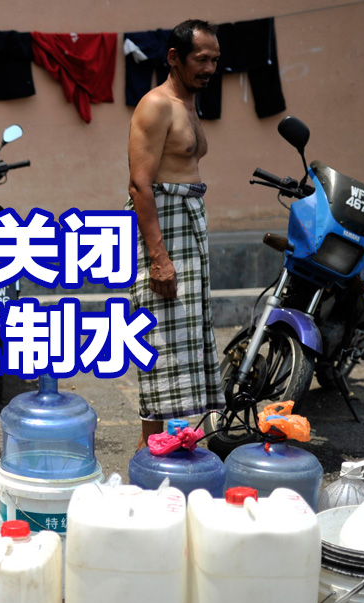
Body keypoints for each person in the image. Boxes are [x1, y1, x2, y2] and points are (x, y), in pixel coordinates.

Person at [126, 20, 225, 448]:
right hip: (163, 230)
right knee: (161, 346)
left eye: (215, 61)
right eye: (201, 59)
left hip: (188, 226)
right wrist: (158, 259)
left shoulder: (188, 102)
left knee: (188, 347)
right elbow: (139, 185)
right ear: (174, 58)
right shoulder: (157, 105)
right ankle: (148, 457)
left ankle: (181, 449)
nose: (209, 68)